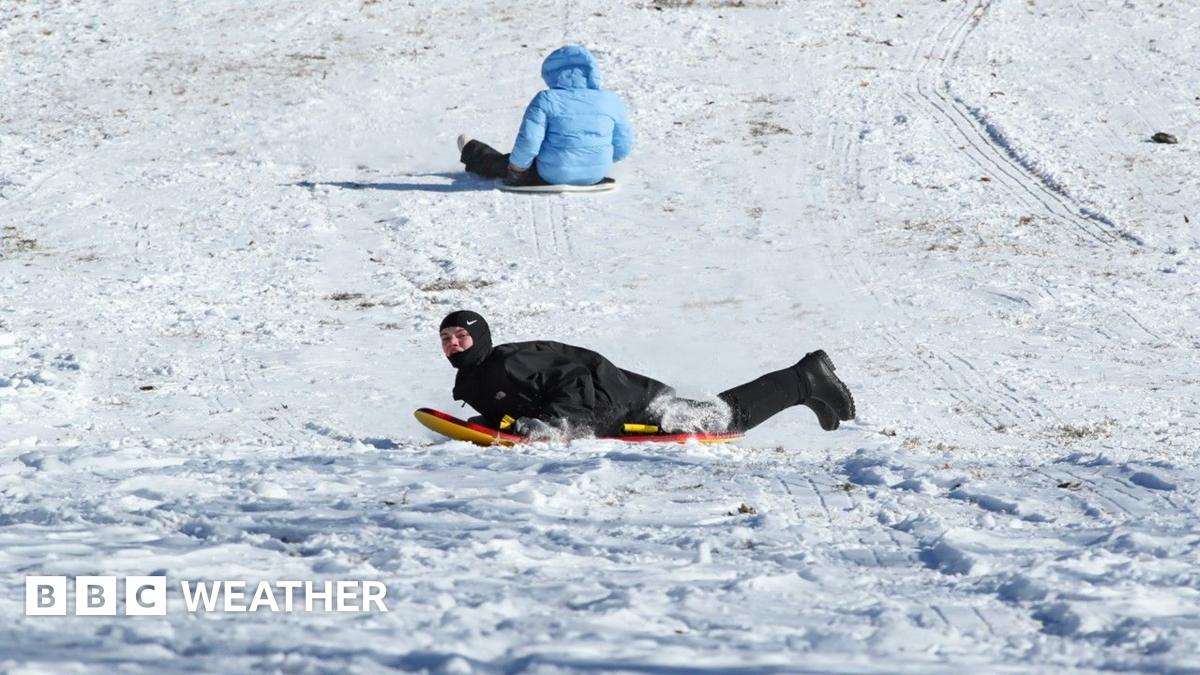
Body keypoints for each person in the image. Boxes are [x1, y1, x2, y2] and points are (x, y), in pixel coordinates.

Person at [438, 310, 856, 440]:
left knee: (724, 421)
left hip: (628, 400)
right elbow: (519, 403)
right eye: (447, 338)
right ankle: (809, 389)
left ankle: (806, 379)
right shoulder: (473, 379)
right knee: (721, 417)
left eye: (461, 336)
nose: (454, 344)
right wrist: (497, 425)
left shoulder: (507, 362)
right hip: (614, 404)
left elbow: (571, 379)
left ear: (481, 338)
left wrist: (554, 424)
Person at [457, 44, 634, 187]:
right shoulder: (610, 100)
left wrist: (517, 170)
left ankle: (471, 149)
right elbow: (623, 145)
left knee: (502, 163)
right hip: (596, 173)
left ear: (551, 74)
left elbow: (529, 140)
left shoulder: (546, 99)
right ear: (592, 72)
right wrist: (595, 158)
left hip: (552, 173)